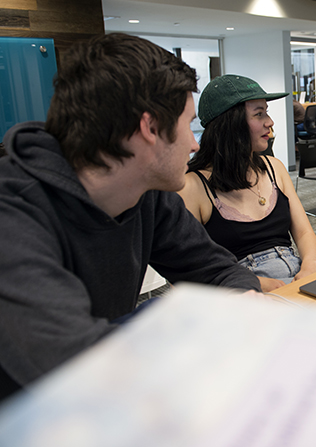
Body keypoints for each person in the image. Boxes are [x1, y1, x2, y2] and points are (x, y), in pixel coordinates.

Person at [0, 34, 262, 401]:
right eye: (188, 126)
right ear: (150, 129)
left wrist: (243, 301)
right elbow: (78, 365)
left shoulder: (146, 193)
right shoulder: (12, 215)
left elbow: (219, 271)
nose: (195, 144)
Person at [179, 75, 316, 292]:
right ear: (230, 125)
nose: (270, 122)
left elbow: (304, 233)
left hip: (296, 281)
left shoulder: (274, 167)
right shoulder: (193, 187)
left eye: (267, 112)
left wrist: (311, 264)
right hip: (242, 295)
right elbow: (188, 273)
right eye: (259, 114)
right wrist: (255, 284)